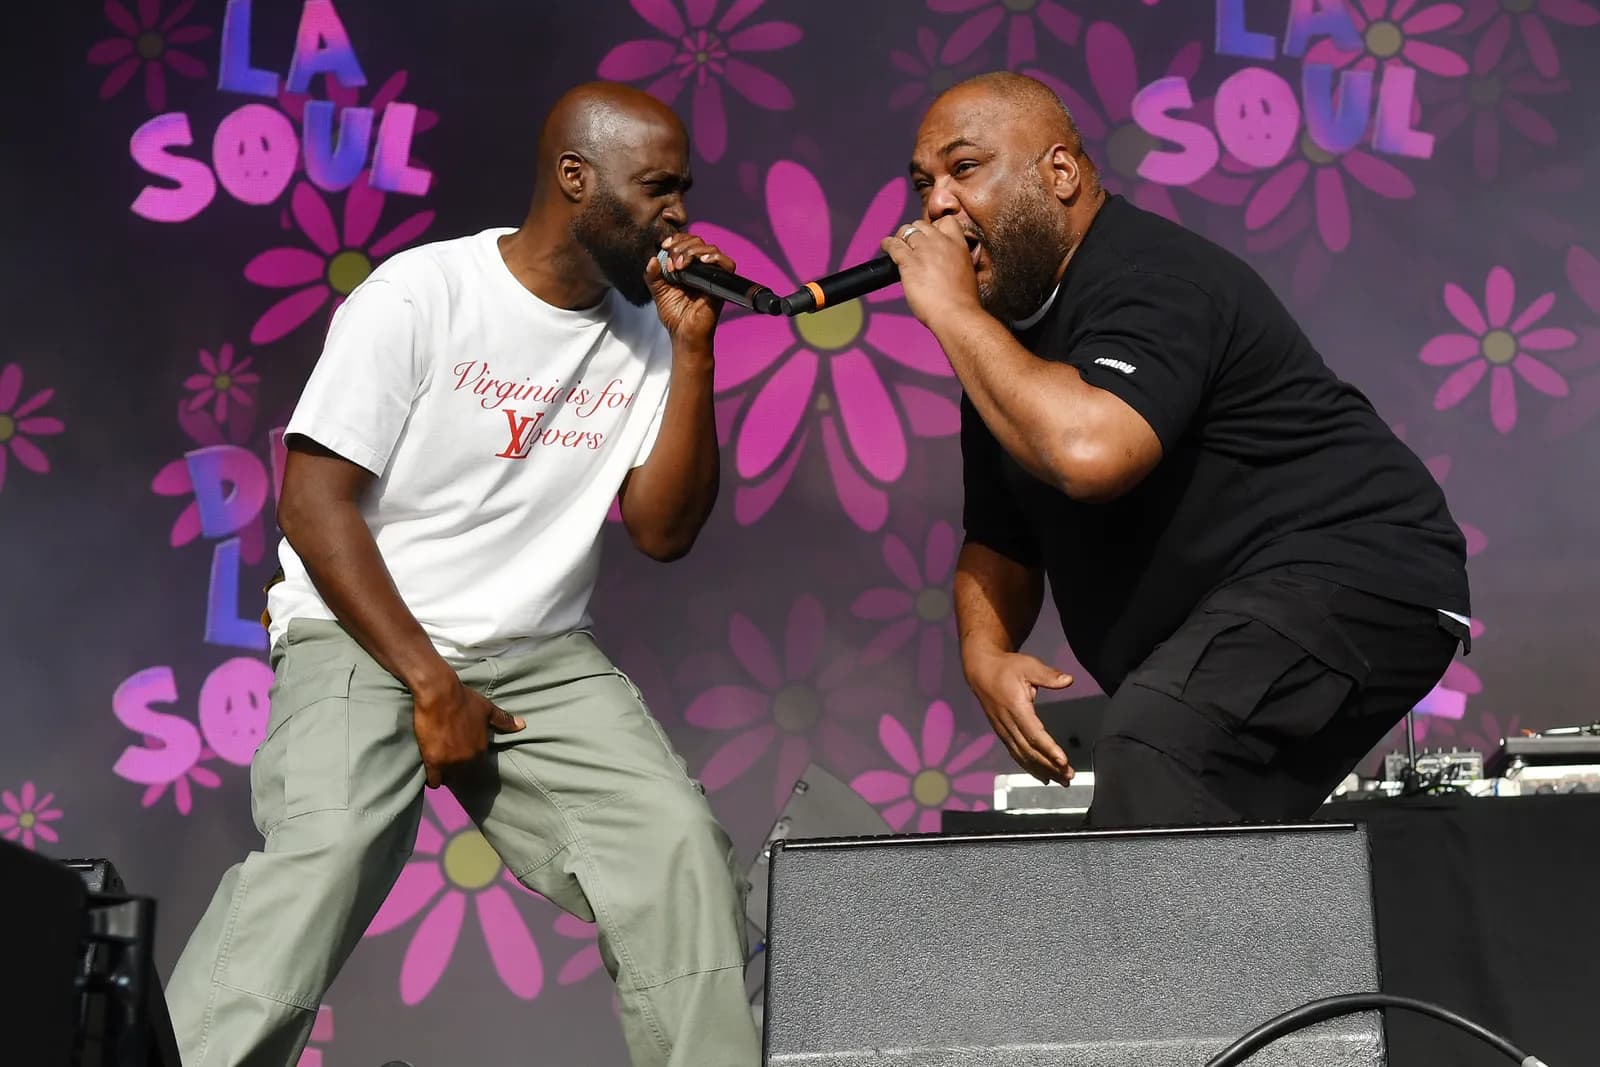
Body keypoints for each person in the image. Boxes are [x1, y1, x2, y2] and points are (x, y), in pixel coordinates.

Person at [164, 82, 760, 1067]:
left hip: (534, 653)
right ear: (577, 178)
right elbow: (311, 504)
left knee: (677, 848)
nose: (680, 214)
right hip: (363, 631)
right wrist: (431, 682)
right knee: (330, 850)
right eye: (658, 188)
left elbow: (663, 531)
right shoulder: (421, 294)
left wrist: (694, 350)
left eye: (683, 189)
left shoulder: (650, 329)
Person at [882, 72, 1471, 828]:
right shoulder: (1006, 353)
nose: (935, 205)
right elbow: (1000, 538)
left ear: (1059, 173)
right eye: (923, 184)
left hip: (1355, 570)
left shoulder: (1150, 274)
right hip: (1236, 615)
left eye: (964, 168)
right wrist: (984, 652)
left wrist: (953, 313)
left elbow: (1090, 453)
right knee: (1170, 814)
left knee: (1158, 746)